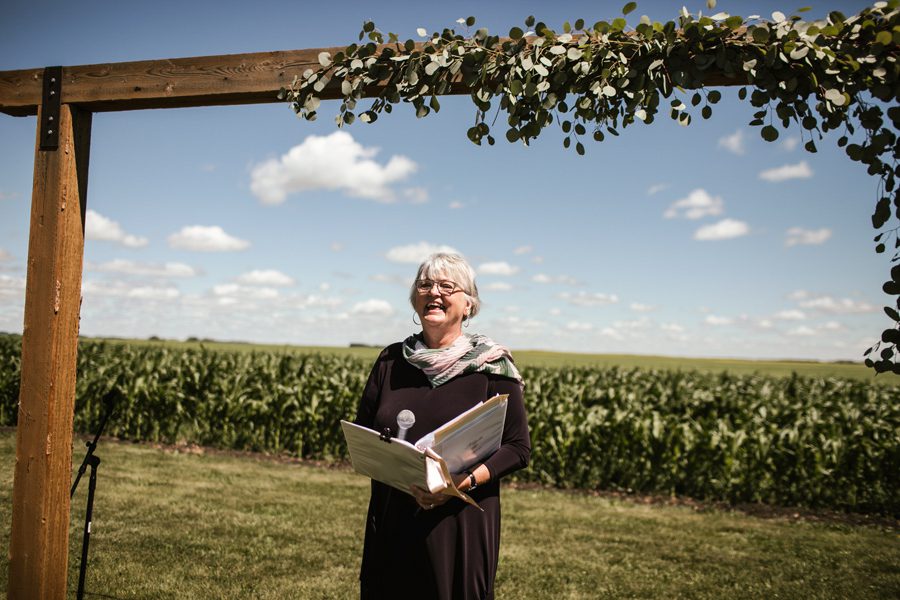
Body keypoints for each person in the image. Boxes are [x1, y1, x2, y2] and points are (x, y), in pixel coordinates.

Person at [354, 252, 531, 600]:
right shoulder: (391, 360)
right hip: (393, 514)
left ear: (468, 304)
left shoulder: (491, 366)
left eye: (447, 286)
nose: (434, 292)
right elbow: (365, 430)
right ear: (414, 299)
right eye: (425, 284)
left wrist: (458, 483)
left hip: (458, 517)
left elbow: (517, 447)